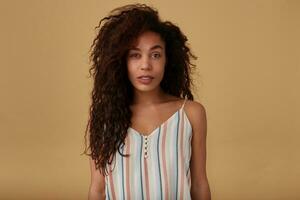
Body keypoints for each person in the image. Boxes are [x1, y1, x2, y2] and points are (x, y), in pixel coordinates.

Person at [83, 3, 211, 200]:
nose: (145, 65)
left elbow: (199, 184)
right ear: (121, 61)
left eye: (155, 55)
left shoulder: (191, 114)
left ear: (168, 60)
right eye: (135, 55)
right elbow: (97, 189)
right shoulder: (103, 118)